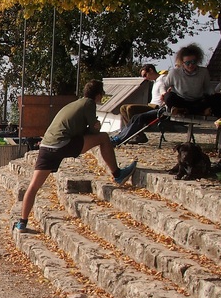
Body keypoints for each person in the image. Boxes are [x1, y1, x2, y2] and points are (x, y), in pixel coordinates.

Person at [14, 80, 137, 233]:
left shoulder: (74, 104)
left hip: (46, 145)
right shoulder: (89, 104)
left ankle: (22, 222)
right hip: (62, 144)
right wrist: (96, 127)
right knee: (104, 138)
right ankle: (117, 174)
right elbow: (93, 132)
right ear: (98, 95)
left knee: (33, 186)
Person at [110, 67, 170, 145]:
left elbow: (164, 92)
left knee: (130, 108)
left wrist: (164, 97)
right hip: (151, 105)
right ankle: (133, 134)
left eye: (145, 75)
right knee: (123, 108)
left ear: (151, 70)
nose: (145, 78)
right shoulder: (155, 81)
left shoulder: (162, 79)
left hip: (157, 107)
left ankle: (133, 135)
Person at [162, 44, 219, 115]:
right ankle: (194, 111)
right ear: (182, 63)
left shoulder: (203, 72)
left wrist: (213, 94)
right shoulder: (174, 72)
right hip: (181, 100)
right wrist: (163, 93)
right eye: (187, 63)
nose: (191, 65)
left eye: (193, 62)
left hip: (198, 100)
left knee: (218, 98)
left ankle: (187, 111)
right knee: (168, 97)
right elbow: (164, 85)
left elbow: (207, 87)